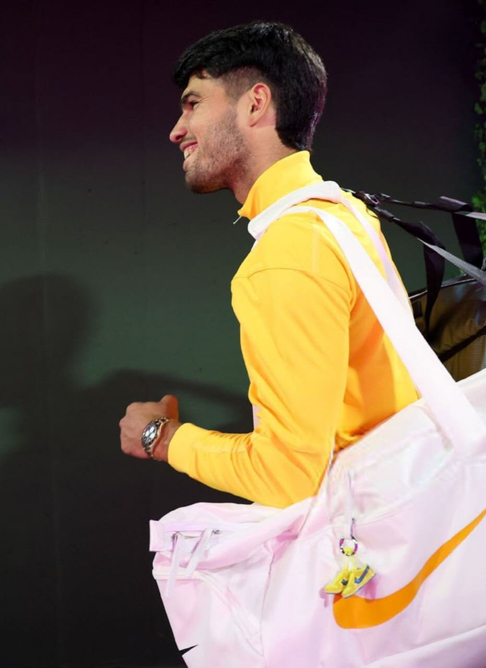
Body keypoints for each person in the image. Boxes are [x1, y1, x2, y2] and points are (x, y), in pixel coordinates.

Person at [119, 21, 418, 508]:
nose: (177, 130)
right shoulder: (342, 212)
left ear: (255, 104)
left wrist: (161, 437)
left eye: (193, 104)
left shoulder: (288, 252)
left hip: (377, 536)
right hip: (407, 504)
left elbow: (287, 477)